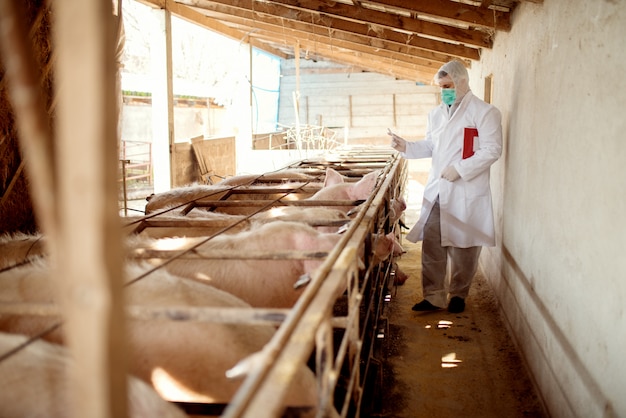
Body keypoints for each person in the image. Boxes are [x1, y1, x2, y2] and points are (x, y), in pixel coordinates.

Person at [388, 60, 502, 313]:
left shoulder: (485, 112)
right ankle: (433, 296)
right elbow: (431, 145)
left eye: (448, 85)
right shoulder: (436, 114)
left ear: (462, 82)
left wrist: (461, 169)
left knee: (465, 246)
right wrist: (405, 146)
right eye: (441, 87)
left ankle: (458, 294)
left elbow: (493, 149)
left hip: (466, 190)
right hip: (438, 189)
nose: (445, 92)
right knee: (432, 242)